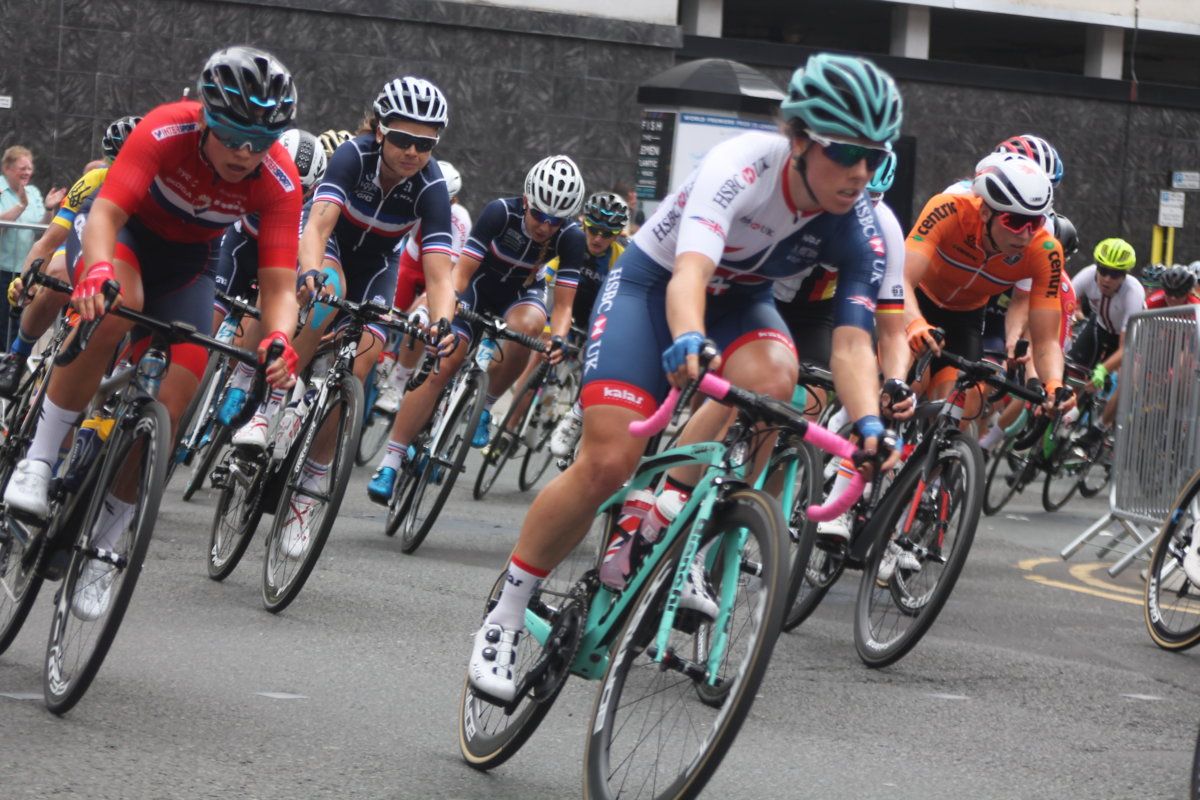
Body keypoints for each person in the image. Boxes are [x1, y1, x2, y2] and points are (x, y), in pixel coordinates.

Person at [467, 52, 905, 702]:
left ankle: (678, 513)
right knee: (608, 463)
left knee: (780, 379)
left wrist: (868, 421)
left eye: (875, 155)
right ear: (802, 138)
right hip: (654, 286)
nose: (861, 172)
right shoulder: (743, 168)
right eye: (847, 152)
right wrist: (691, 339)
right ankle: (506, 612)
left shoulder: (861, 220)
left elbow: (851, 340)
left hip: (740, 303)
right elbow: (690, 275)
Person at [2, 46, 303, 619]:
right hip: (120, 240)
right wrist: (92, 270)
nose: (245, 152)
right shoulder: (165, 129)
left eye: (261, 140)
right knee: (119, 304)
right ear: (206, 119)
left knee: (179, 390)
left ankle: (106, 546)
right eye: (234, 133)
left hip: (190, 266)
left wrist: (280, 338)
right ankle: (38, 460)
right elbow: (109, 213)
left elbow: (280, 286)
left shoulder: (279, 180)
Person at [233, 76, 458, 557]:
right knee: (327, 294)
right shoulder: (353, 156)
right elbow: (318, 224)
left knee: (363, 360)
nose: (413, 152)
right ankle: (268, 409)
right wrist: (310, 271)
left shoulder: (432, 186)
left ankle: (307, 493)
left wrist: (442, 322)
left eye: (426, 143)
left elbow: (441, 276)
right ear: (380, 130)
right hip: (331, 249)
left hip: (378, 266)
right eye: (403, 139)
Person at [366, 154, 585, 504]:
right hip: (475, 288)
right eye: (539, 215)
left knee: (529, 330)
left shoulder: (572, 238)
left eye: (555, 221)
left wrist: (557, 338)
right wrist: (446, 311)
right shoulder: (501, 212)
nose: (545, 226)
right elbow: (461, 275)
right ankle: (391, 461)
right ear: (527, 200)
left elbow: (562, 306)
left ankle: (485, 406)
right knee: (445, 362)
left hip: (520, 298)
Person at [903, 155, 1067, 420]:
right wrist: (914, 324)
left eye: (1034, 222)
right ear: (985, 212)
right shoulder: (949, 209)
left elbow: (1045, 339)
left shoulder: (1045, 251)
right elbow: (900, 279)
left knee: (955, 413)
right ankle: (848, 448)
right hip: (916, 300)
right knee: (900, 389)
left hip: (965, 319)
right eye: (1014, 222)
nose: (1025, 234)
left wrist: (1054, 384)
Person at [0, 117, 141, 395]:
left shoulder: (158, 191)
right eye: (115, 165)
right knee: (57, 273)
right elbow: (49, 242)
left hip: (125, 257)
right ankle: (18, 355)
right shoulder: (93, 180)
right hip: (82, 245)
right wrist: (28, 281)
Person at [210, 128, 328, 424]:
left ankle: (240, 379)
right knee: (205, 326)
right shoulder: (250, 171)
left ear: (313, 189)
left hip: (272, 256)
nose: (290, 192)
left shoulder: (308, 208)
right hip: (238, 246)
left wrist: (304, 280)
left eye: (302, 190)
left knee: (273, 297)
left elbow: (302, 248)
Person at [373, 159, 471, 414]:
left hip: (440, 271)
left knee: (421, 319)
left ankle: (399, 381)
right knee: (384, 310)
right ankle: (380, 357)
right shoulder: (417, 197)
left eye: (446, 201)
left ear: (454, 201)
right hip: (412, 262)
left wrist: (425, 303)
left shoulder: (461, 221)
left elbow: (446, 277)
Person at [539, 190, 629, 458]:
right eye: (593, 229)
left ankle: (575, 421)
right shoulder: (573, 241)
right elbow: (547, 278)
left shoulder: (620, 258)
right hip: (565, 305)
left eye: (607, 233)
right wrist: (546, 327)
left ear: (616, 236)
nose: (599, 238)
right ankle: (508, 426)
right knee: (539, 355)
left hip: (595, 316)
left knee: (592, 368)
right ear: (583, 224)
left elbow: (620, 303)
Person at [0, 146, 66, 349]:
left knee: (17, 324)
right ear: (7, 168)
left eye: (30, 168)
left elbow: (41, 231)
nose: (28, 172)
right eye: (22, 167)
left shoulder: (33, 192)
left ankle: (9, 364)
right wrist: (20, 206)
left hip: (23, 271)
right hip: (2, 269)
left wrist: (48, 209)